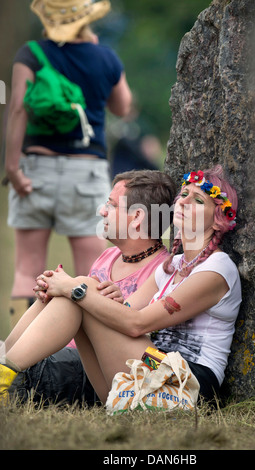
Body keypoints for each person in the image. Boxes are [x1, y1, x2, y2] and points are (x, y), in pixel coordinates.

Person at [0, 165, 242, 406]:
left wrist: (74, 289)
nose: (184, 201)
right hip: (151, 366)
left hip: (188, 381)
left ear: (218, 219)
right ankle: (5, 374)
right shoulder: (171, 265)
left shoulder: (217, 269)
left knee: (81, 289)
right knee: (82, 292)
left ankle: (5, 379)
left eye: (198, 200)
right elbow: (124, 312)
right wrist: (57, 289)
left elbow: (137, 324)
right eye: (185, 194)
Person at [3, 0, 132, 329]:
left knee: (26, 268)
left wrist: (13, 167)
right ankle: (83, 356)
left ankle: (16, 354)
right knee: (93, 271)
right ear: (88, 19)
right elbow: (122, 107)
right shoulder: (106, 57)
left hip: (35, 169)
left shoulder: (30, 53)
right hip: (85, 172)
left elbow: (17, 107)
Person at [5, 169, 177, 405]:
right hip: (63, 355)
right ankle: (6, 368)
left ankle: (7, 374)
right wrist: (49, 292)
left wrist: (79, 289)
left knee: (79, 287)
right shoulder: (108, 256)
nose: (102, 211)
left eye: (111, 205)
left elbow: (147, 338)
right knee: (66, 288)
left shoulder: (163, 270)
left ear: (137, 217)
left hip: (97, 368)